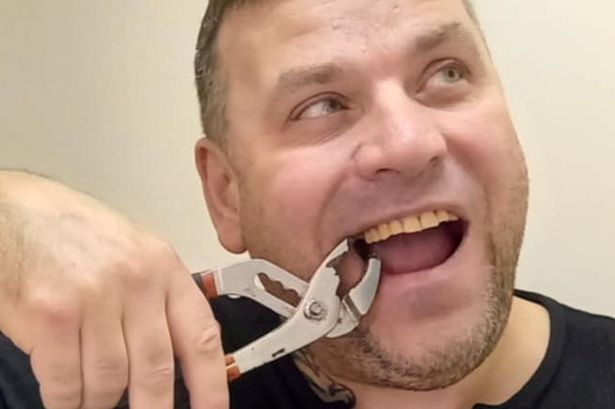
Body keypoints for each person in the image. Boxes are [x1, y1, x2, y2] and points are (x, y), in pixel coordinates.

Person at [1, 0, 614, 408]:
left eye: (446, 73)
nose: (409, 144)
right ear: (226, 194)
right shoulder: (103, 373)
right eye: (321, 105)